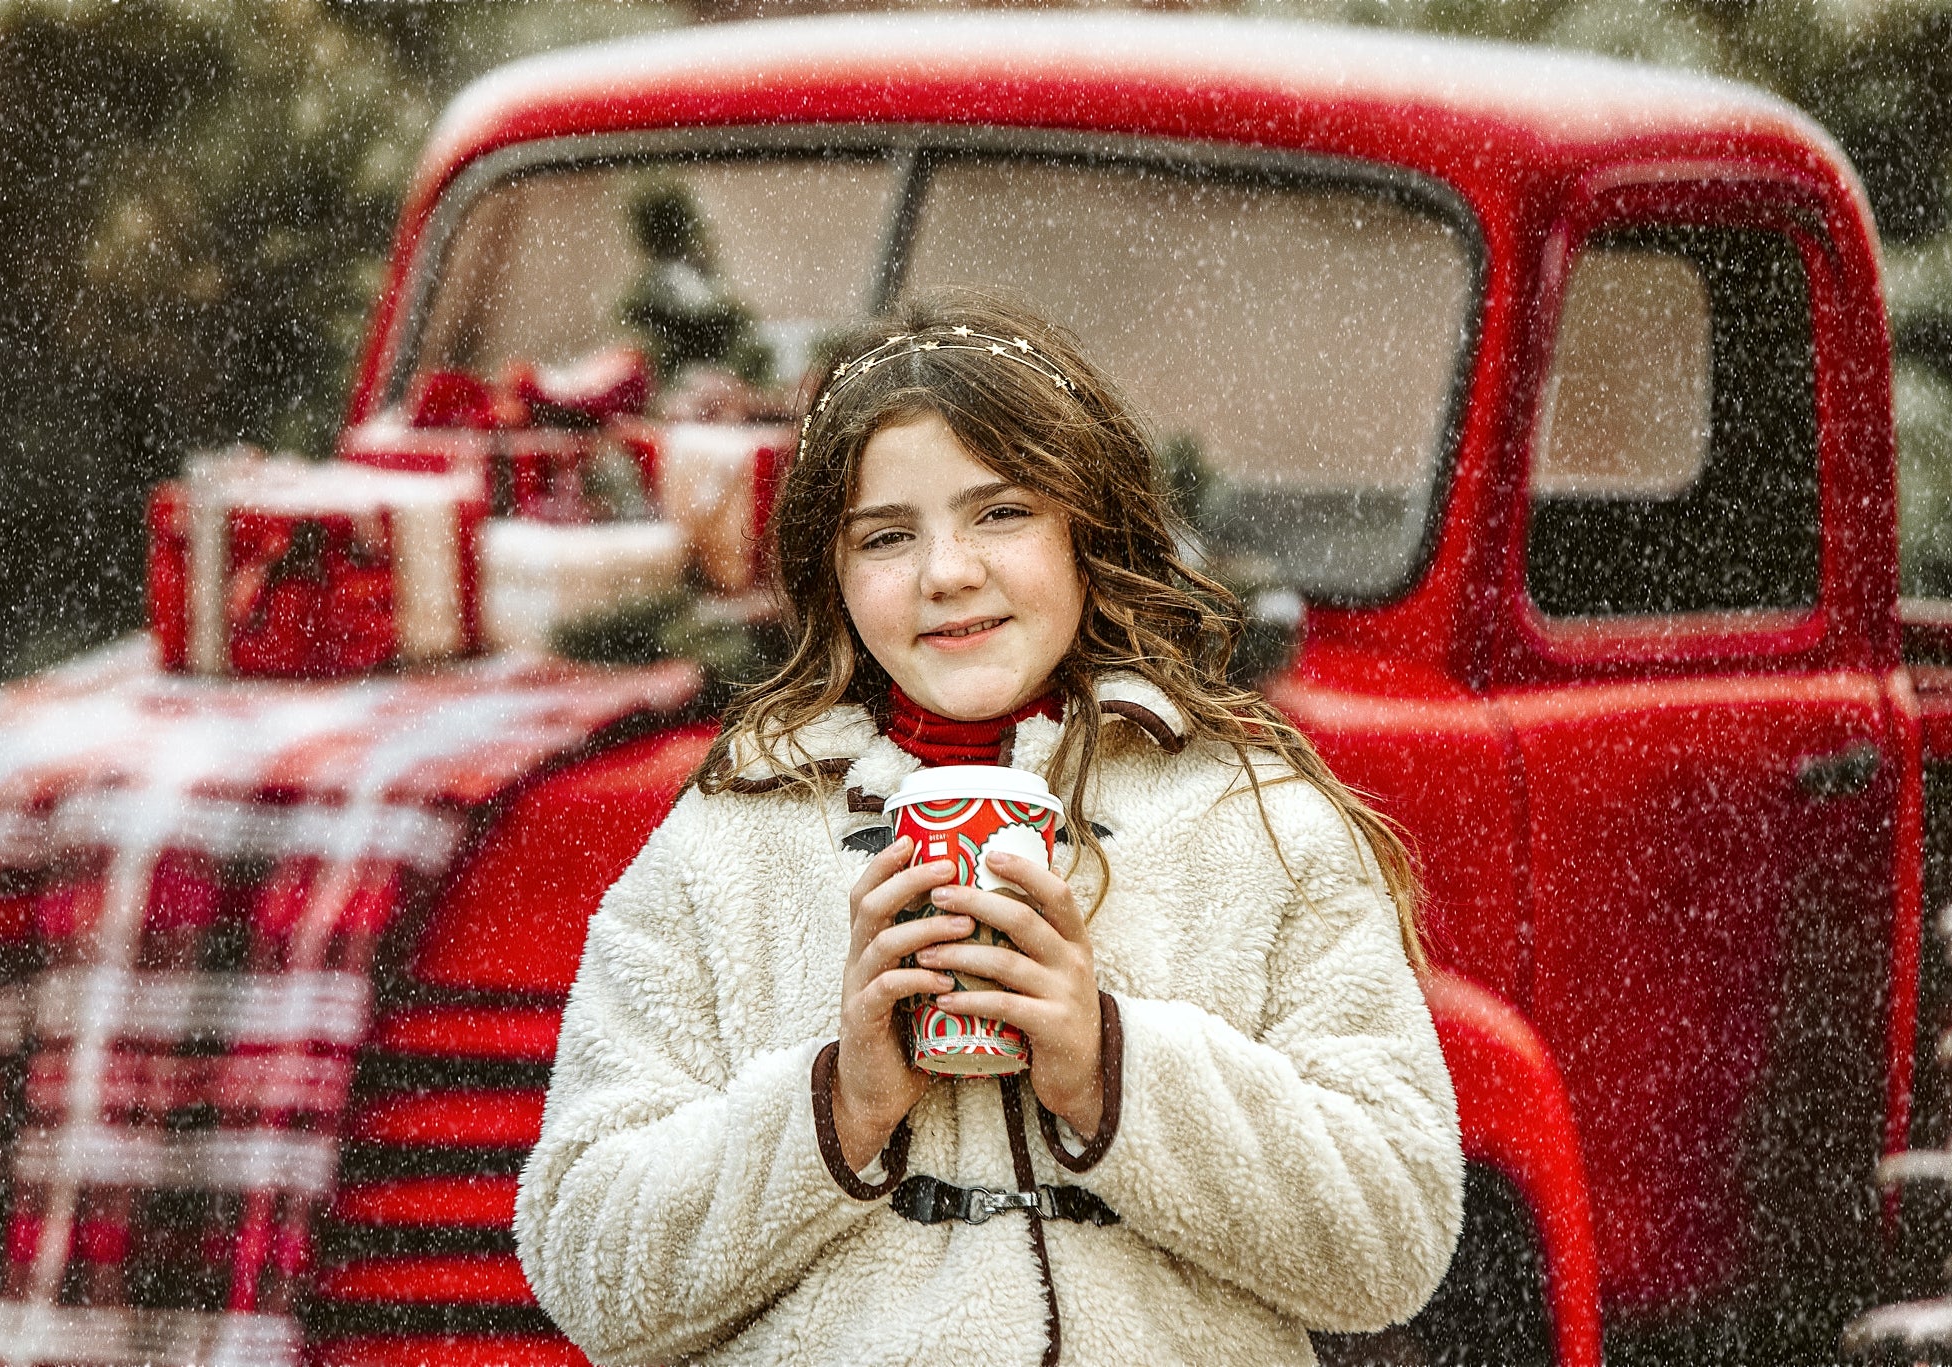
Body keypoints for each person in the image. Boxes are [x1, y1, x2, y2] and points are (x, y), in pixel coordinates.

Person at [514, 288, 1463, 1366]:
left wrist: (1111, 1069)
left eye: (1000, 511)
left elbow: (1395, 1232)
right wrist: (837, 1107)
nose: (946, 572)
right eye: (884, 535)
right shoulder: (729, 841)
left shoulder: (1251, 822)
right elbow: (586, 1257)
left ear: (1083, 526)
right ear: (833, 571)